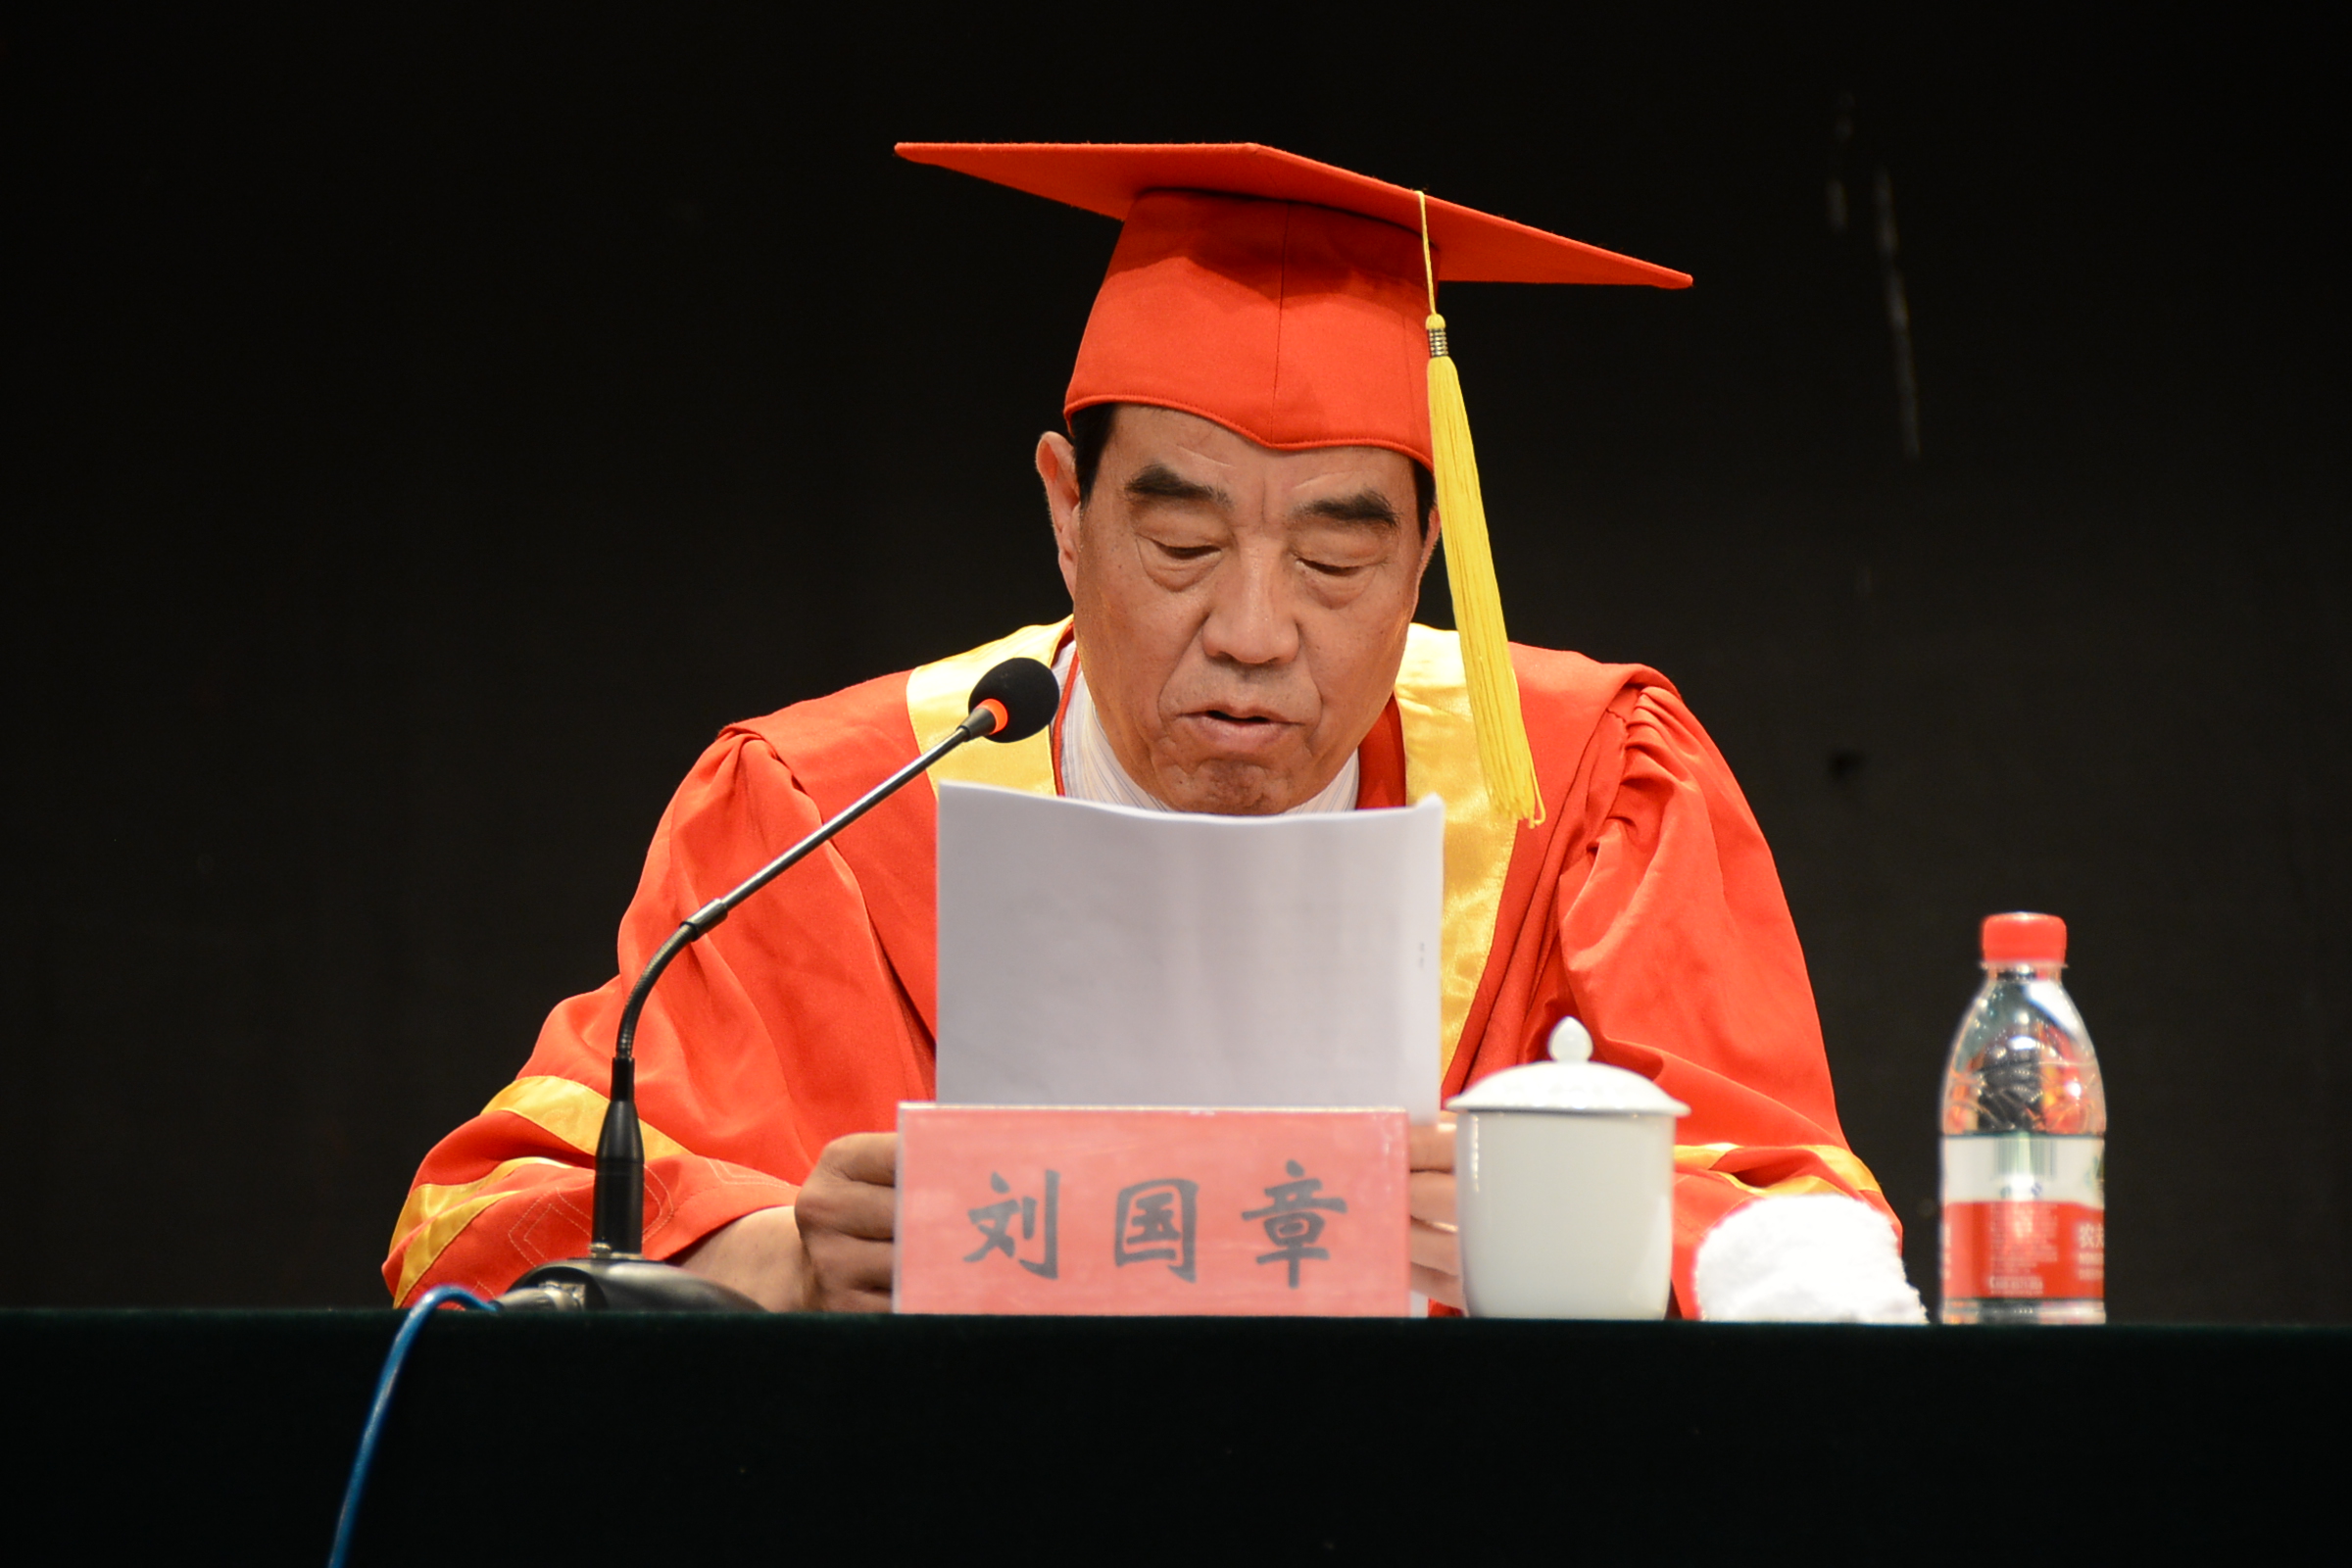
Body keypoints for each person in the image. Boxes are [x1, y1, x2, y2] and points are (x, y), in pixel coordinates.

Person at [387, 143, 1923, 1322]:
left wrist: (1569, 1229)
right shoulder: (826, 811)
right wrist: (776, 1253)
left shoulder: (1587, 790)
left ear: (1426, 556)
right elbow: (480, 1221)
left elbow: (1810, 1239)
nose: (1253, 628)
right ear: (1067, 513)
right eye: (1182, 544)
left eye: (1335, 560)